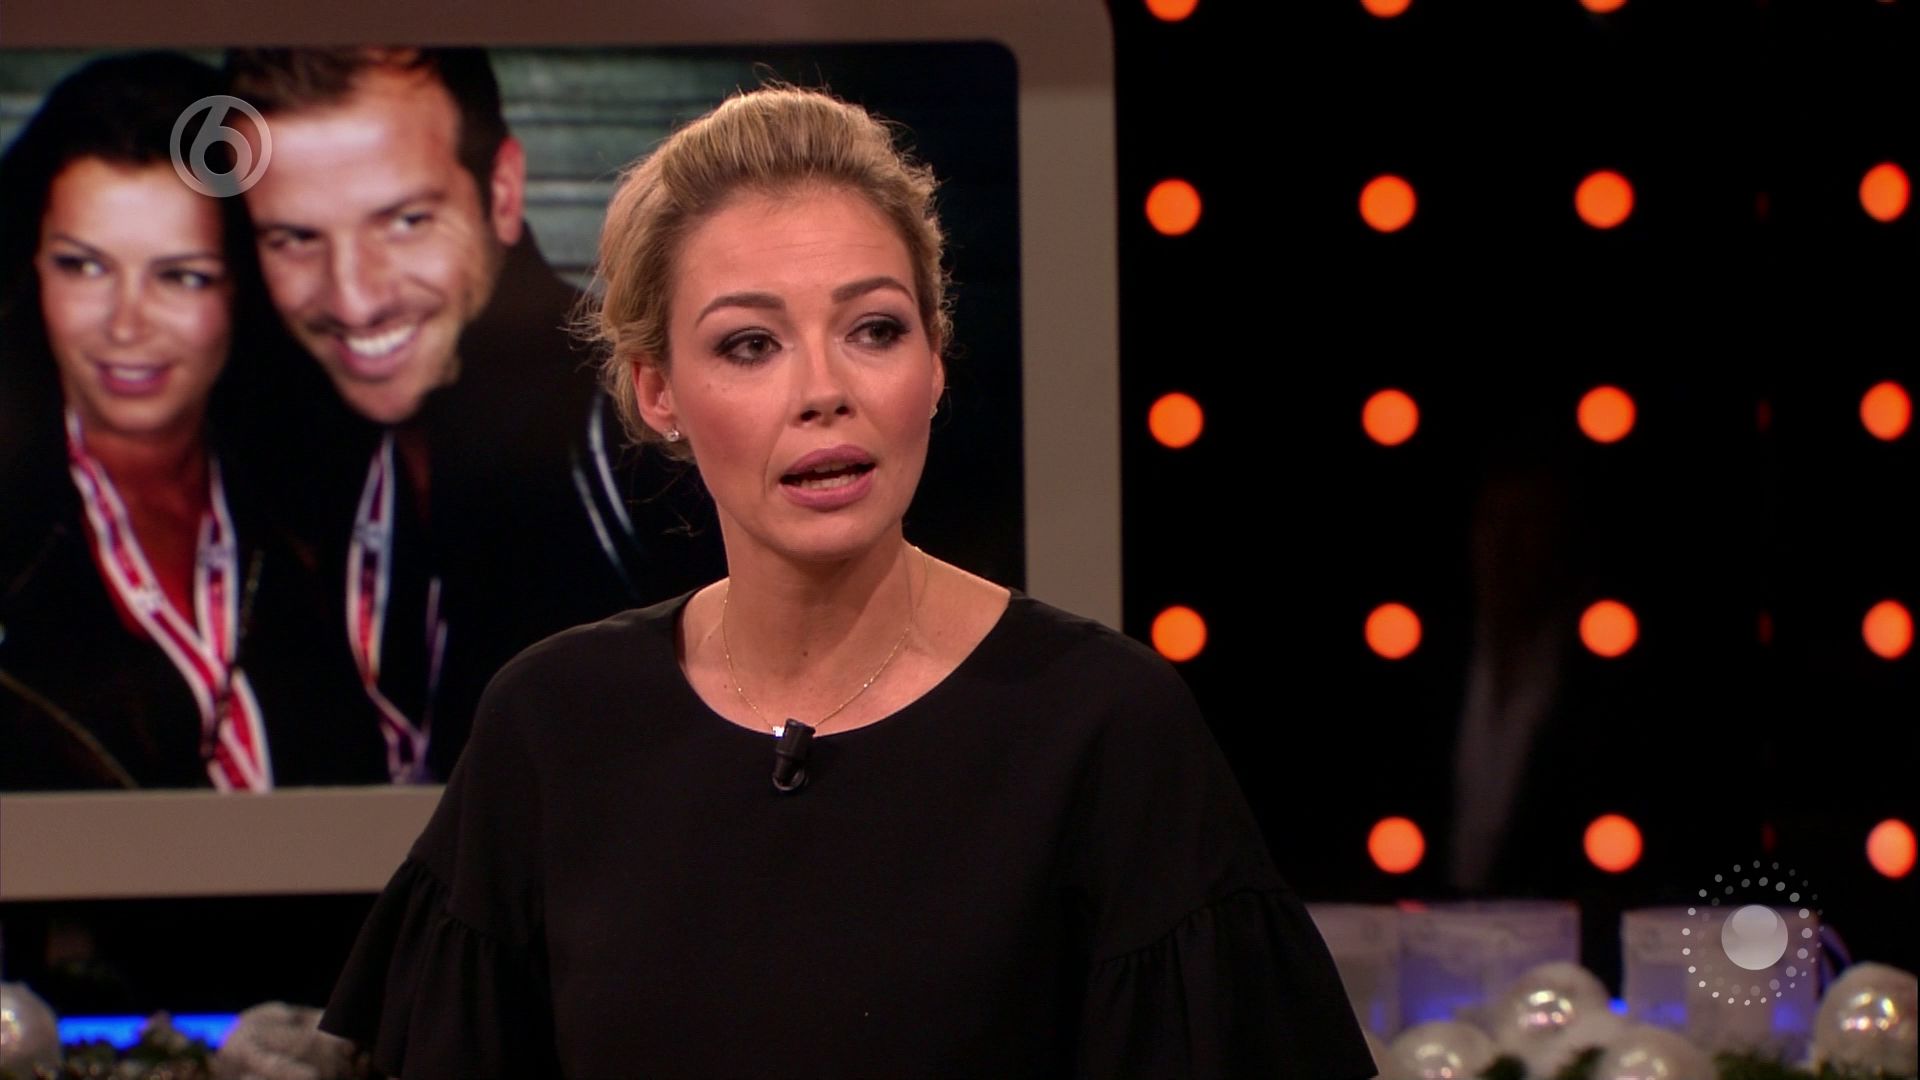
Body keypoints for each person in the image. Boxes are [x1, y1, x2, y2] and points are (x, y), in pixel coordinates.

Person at [319, 86, 1375, 1077]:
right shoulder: (553, 726)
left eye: (875, 330)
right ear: (657, 392)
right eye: (750, 344)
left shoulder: (1105, 727)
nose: (824, 391)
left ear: (935, 360)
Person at [223, 47, 715, 782]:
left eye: (405, 221)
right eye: (295, 238)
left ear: (504, 194)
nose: (354, 298)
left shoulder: (645, 440)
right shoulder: (305, 441)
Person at [0, 53, 386, 790]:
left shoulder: (333, 506)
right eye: (83, 266)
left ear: (245, 288)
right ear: (32, 267)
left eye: (182, 276)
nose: (125, 325)